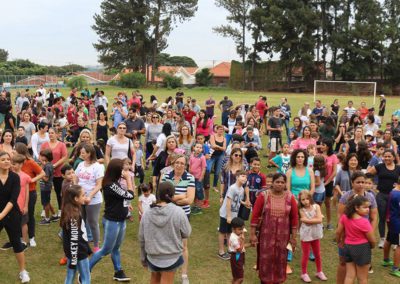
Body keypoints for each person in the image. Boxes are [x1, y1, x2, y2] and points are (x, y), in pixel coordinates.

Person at [89, 159, 134, 282]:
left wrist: (126, 205)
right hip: (112, 221)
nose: (125, 171)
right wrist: (129, 179)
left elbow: (122, 197)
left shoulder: (115, 182)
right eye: (123, 169)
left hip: (120, 220)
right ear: (116, 171)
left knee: (116, 248)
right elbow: (130, 195)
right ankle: (85, 271)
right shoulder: (110, 184)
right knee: (106, 249)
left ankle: (118, 272)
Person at [139, 181, 191, 284]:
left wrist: (143, 258)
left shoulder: (147, 213)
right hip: (171, 257)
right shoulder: (178, 212)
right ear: (172, 194)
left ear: (158, 194)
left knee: (154, 279)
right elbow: (187, 232)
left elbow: (141, 238)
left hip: (152, 256)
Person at [250, 173, 298, 284]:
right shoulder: (264, 196)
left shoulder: (290, 197)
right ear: (272, 183)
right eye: (277, 182)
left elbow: (294, 218)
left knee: (280, 261)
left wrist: (293, 237)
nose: (280, 184)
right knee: (265, 260)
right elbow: (255, 216)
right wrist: (252, 235)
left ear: (285, 184)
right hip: (266, 237)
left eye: (282, 182)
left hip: (283, 237)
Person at [161, 154, 195, 283]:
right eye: (177, 162)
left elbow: (190, 200)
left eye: (182, 163)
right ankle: (167, 271)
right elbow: (161, 196)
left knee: (183, 246)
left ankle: (184, 275)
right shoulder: (165, 176)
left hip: (183, 216)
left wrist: (171, 198)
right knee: (167, 244)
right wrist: (181, 196)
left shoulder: (190, 178)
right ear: (173, 163)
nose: (179, 165)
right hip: (167, 215)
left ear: (185, 165)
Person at [0, 151, 30, 283]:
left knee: (16, 242)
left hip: (12, 215)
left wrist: (1, 215)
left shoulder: (15, 177)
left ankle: (23, 271)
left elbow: (13, 200)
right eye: (3, 160)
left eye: (8, 159)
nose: (6, 161)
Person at [336, 196, 376, 284]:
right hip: (362, 249)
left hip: (348, 247)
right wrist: (372, 246)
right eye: (364, 207)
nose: (368, 209)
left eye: (368, 207)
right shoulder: (364, 222)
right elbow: (372, 239)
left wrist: (339, 242)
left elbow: (338, 232)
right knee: (362, 278)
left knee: (349, 276)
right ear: (356, 207)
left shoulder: (344, 217)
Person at [367, 149, 400, 248]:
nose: (387, 158)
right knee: (382, 218)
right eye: (385, 156)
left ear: (394, 157)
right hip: (381, 195)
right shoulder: (379, 167)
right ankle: (382, 239)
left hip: (394, 197)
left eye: (389, 156)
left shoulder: (398, 168)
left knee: (393, 218)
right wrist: (372, 185)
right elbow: (368, 174)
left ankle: (393, 240)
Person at [75, 144, 105, 252]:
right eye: (81, 152)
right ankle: (84, 243)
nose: (81, 154)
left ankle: (96, 246)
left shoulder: (98, 166)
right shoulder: (81, 165)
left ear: (90, 153)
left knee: (93, 222)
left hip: (93, 199)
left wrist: (90, 196)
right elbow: (76, 178)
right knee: (81, 221)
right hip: (80, 198)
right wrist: (76, 190)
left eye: (83, 152)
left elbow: (99, 185)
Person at [61, 185, 91, 284]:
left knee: (70, 276)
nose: (85, 197)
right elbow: (74, 239)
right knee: (86, 278)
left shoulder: (69, 210)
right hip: (79, 252)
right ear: (76, 198)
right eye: (83, 195)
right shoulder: (73, 216)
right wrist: (74, 260)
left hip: (72, 252)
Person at [218, 170, 248, 260]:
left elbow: (237, 200)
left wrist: (244, 203)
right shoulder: (232, 188)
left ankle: (230, 250)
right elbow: (228, 202)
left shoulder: (242, 189)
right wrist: (228, 215)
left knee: (230, 232)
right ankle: (221, 251)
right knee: (222, 232)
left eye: (246, 177)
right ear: (237, 177)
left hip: (234, 214)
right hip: (226, 214)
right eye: (242, 176)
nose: (244, 178)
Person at [298, 190, 327, 282]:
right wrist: (317, 218)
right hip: (306, 235)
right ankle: (304, 273)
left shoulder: (316, 206)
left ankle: (319, 271)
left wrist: (307, 220)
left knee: (317, 254)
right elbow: (316, 220)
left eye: (307, 198)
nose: (305, 201)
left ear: (311, 198)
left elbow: (319, 221)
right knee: (305, 255)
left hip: (315, 234)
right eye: (303, 200)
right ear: (300, 201)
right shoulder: (301, 210)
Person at [40, 127, 68, 217]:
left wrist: (55, 165)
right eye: (49, 133)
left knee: (59, 191)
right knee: (45, 192)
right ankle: (45, 209)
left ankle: (60, 209)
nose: (50, 134)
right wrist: (44, 164)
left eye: (52, 133)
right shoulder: (44, 145)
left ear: (57, 134)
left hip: (58, 172)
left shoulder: (61, 145)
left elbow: (64, 156)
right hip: (46, 172)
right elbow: (41, 156)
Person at [382, 178, 400, 277]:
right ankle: (395, 269)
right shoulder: (398, 195)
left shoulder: (393, 191)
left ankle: (386, 260)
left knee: (389, 239)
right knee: (399, 245)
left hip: (392, 220)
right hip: (397, 221)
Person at [38, 148, 57, 225]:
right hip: (46, 187)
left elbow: (46, 178)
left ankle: (47, 219)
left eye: (42, 155)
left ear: (47, 156)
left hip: (45, 187)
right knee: (47, 202)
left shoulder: (48, 166)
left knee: (45, 203)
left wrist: (39, 174)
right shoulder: (47, 165)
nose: (40, 157)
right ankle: (54, 215)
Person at [228, 217, 248, 284]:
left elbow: (241, 248)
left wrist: (250, 244)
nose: (242, 231)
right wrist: (242, 241)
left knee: (236, 277)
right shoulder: (234, 238)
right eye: (240, 229)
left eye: (242, 229)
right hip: (237, 256)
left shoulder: (237, 235)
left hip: (237, 256)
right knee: (240, 278)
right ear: (233, 229)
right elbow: (239, 250)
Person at [189, 142, 206, 215]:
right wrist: (189, 172)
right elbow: (190, 164)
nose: (198, 149)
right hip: (192, 177)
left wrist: (201, 177)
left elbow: (204, 168)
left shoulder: (202, 157)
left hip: (198, 177)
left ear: (202, 149)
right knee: (194, 191)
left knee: (199, 192)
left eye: (200, 148)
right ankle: (195, 206)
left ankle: (199, 207)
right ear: (194, 148)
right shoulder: (192, 155)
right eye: (197, 147)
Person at [209, 125, 227, 192]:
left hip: (220, 156)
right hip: (212, 155)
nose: (221, 131)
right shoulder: (212, 136)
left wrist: (217, 147)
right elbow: (213, 146)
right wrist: (220, 147)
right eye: (219, 129)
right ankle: (206, 184)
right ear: (216, 130)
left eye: (222, 130)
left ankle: (214, 186)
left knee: (217, 172)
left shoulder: (224, 139)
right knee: (208, 169)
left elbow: (224, 148)